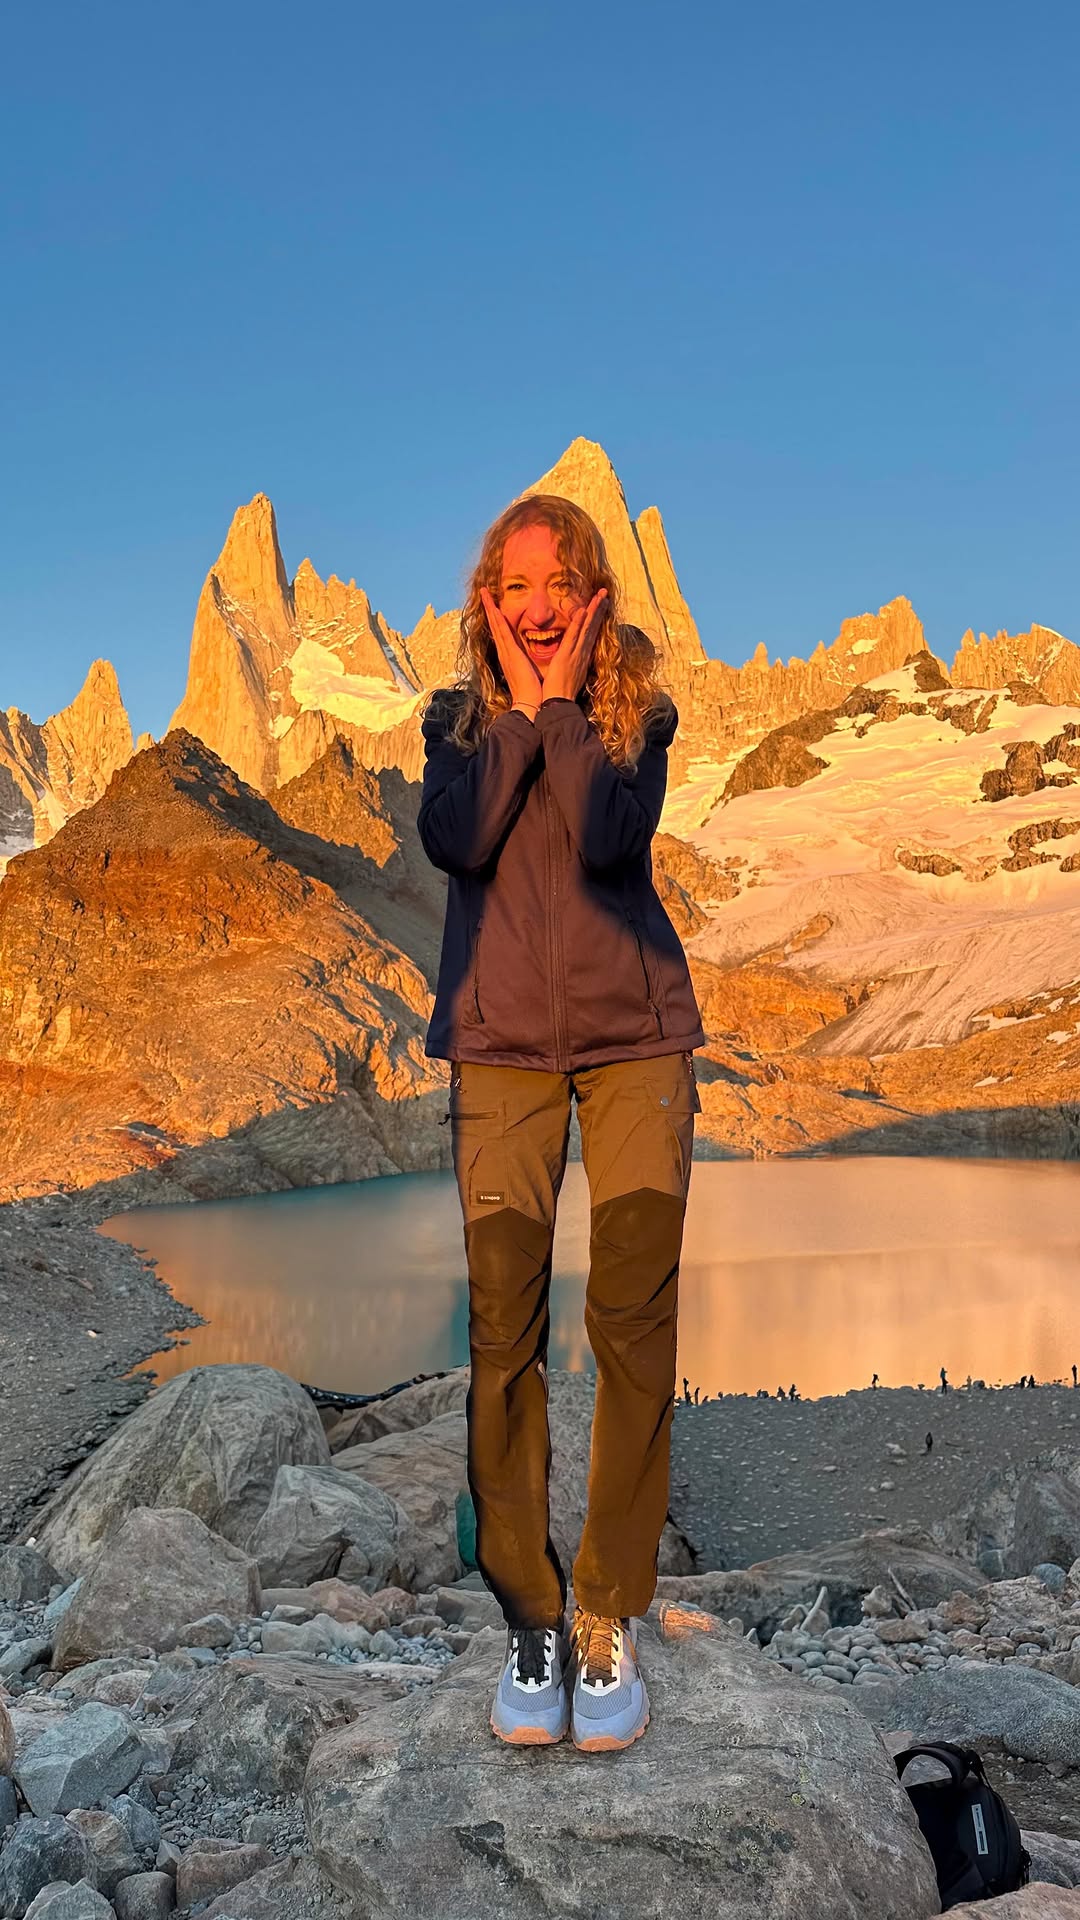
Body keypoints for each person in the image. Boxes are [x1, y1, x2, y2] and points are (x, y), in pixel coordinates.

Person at [417, 493, 705, 1753]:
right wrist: (525, 711)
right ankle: (531, 1613)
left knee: (634, 1321)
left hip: (637, 1040)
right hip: (500, 1052)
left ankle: (606, 1611)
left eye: (558, 583)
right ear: (488, 597)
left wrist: (569, 701)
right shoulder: (452, 725)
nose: (535, 606)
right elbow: (461, 838)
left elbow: (603, 836)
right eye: (513, 585)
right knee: (500, 1326)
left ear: (591, 592)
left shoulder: (639, 714)